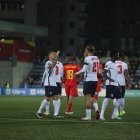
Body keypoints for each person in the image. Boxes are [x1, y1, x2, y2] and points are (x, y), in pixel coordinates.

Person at [75, 44, 99, 120]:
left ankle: (88, 116)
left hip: (88, 80)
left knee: (87, 98)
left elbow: (84, 70)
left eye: (85, 49)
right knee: (92, 97)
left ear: (87, 50)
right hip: (95, 80)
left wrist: (76, 73)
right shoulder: (96, 58)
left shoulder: (87, 59)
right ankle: (97, 109)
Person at [36, 50, 62, 118]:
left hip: (54, 84)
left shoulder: (57, 63)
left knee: (56, 98)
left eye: (55, 54)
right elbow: (52, 65)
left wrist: (42, 80)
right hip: (49, 83)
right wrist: (57, 56)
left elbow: (45, 73)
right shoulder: (48, 62)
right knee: (47, 99)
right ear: (49, 56)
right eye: (53, 54)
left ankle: (55, 114)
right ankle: (39, 112)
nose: (54, 55)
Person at [100, 51, 122, 120]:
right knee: (107, 98)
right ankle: (101, 115)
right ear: (113, 56)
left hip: (116, 84)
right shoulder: (109, 63)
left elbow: (115, 75)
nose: (118, 56)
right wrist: (110, 79)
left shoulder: (115, 64)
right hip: (110, 84)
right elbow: (104, 72)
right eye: (117, 55)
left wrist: (118, 83)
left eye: (118, 55)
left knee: (118, 99)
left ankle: (114, 115)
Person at [114, 51, 131, 116]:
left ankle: (115, 112)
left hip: (114, 83)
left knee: (116, 98)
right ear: (121, 57)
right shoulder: (124, 64)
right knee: (122, 98)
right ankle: (121, 112)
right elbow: (127, 75)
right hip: (122, 83)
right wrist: (129, 83)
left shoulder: (112, 63)